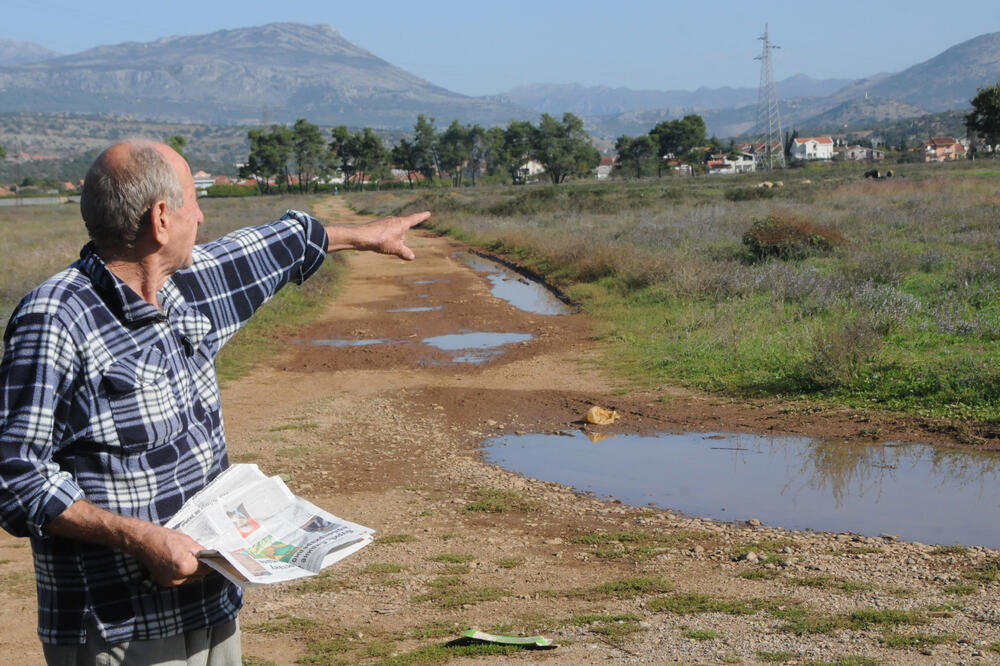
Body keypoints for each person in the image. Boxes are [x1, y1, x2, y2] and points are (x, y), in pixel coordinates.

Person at [0, 140, 429, 664]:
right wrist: (141, 540)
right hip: (122, 627)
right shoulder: (56, 319)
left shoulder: (186, 285)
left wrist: (360, 236)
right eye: (192, 201)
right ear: (161, 218)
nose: (201, 216)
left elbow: (275, 246)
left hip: (212, 605)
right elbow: (14, 476)